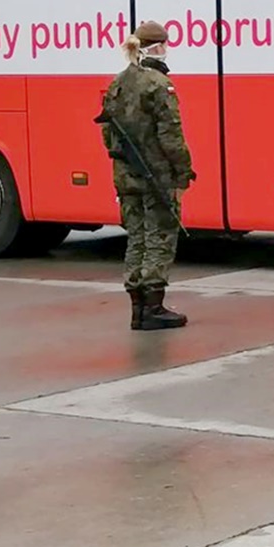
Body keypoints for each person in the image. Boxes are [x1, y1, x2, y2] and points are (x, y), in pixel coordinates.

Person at [99, 20, 196, 331]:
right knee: (160, 238)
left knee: (137, 238)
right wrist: (183, 173)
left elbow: (107, 133)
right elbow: (171, 137)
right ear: (159, 47)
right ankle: (154, 307)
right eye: (166, 44)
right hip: (157, 177)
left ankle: (137, 310)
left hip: (126, 176)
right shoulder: (159, 85)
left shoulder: (117, 83)